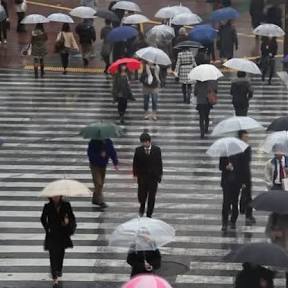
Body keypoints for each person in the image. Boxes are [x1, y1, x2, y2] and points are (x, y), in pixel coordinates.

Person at [41, 196, 76, 288]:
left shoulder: (66, 205)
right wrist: (47, 228)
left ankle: (59, 269)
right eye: (53, 196)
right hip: (52, 234)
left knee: (60, 253)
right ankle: (54, 278)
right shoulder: (47, 206)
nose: (55, 198)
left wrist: (68, 222)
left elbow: (72, 217)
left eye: (57, 196)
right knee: (52, 255)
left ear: (60, 196)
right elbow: (43, 218)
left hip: (62, 233)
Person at [133, 133, 163, 218]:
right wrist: (136, 174)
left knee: (152, 197)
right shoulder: (138, 150)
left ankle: (149, 213)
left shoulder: (157, 150)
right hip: (142, 177)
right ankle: (142, 206)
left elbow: (159, 163)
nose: (144, 144)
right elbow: (135, 163)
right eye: (142, 143)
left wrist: (159, 175)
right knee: (142, 195)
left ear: (149, 141)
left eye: (145, 142)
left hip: (153, 178)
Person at [88, 138, 118, 207]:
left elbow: (112, 152)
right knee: (98, 183)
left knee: (101, 183)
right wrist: (100, 155)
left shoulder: (108, 142)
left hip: (103, 165)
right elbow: (90, 154)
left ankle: (95, 199)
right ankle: (100, 201)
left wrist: (115, 162)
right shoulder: (93, 142)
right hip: (94, 165)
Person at [219, 154, 242, 231]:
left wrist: (234, 168)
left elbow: (243, 168)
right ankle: (224, 223)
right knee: (226, 203)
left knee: (235, 202)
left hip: (236, 182)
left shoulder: (239, 155)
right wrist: (226, 167)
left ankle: (233, 221)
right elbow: (220, 167)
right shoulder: (223, 154)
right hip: (226, 183)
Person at [238, 130, 256, 226]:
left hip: (245, 175)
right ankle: (244, 212)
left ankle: (248, 214)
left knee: (248, 196)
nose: (247, 138)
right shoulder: (240, 148)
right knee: (244, 196)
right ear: (241, 137)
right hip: (241, 175)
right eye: (245, 136)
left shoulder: (247, 148)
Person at [266, 213, 288, 287]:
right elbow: (267, 232)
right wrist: (274, 233)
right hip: (277, 250)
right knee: (269, 275)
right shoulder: (274, 216)